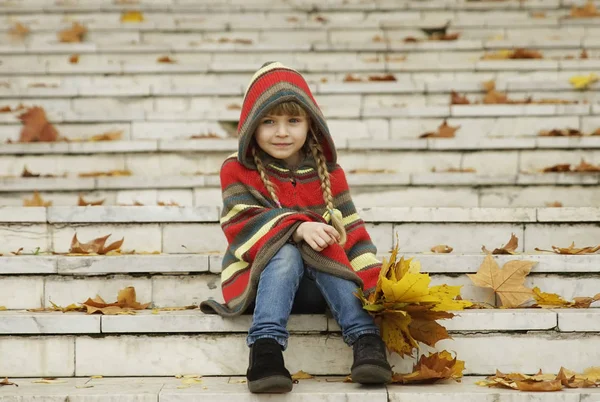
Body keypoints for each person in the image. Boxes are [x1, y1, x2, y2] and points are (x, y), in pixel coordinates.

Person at [200, 61, 392, 393]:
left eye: (293, 120)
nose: (282, 132)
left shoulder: (330, 174)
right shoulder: (236, 170)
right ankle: (265, 351)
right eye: (268, 121)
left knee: (325, 244)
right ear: (250, 126)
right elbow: (240, 225)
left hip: (322, 287)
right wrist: (298, 227)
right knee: (288, 251)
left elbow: (355, 238)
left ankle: (366, 341)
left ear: (311, 123)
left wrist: (377, 289)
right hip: (262, 284)